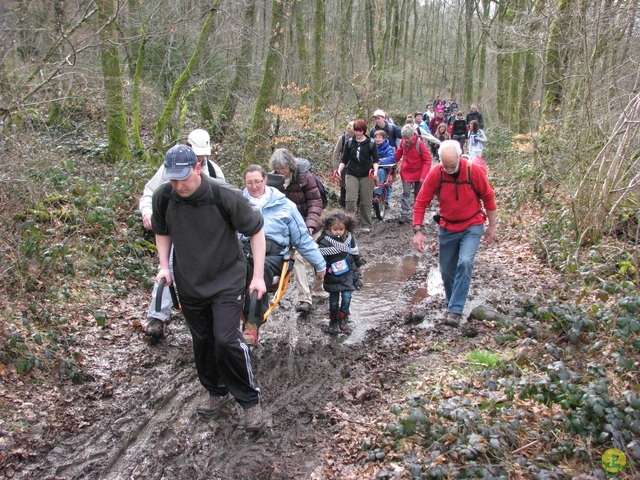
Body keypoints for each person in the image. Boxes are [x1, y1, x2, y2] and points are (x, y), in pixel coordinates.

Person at [151, 144, 266, 431]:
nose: (179, 185)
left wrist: (259, 276)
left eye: (184, 178)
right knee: (202, 341)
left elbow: (256, 230)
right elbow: (162, 232)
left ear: (198, 167)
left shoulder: (223, 194)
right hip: (190, 282)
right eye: (173, 179)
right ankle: (216, 391)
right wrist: (164, 266)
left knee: (226, 339)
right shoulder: (164, 197)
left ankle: (250, 401)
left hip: (227, 279)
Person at [140, 129, 225, 338]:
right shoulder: (171, 166)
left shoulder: (214, 172)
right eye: (197, 154)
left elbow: (225, 202)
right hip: (175, 227)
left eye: (203, 155)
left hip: (205, 233)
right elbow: (150, 192)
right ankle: (157, 317)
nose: (200, 158)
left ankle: (208, 314)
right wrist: (148, 211)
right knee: (166, 267)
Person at [412, 140, 497, 327]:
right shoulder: (437, 173)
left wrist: (492, 225)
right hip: (447, 227)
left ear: (460, 157)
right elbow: (421, 201)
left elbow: (488, 197)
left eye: (452, 165)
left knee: (465, 262)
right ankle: (451, 305)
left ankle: (455, 311)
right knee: (447, 271)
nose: (449, 169)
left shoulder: (473, 171)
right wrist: (417, 230)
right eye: (445, 165)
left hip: (472, 225)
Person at [241, 165, 326, 343]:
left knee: (258, 268)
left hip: (274, 253)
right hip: (244, 248)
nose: (254, 186)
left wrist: (319, 264)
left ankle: (251, 324)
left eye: (257, 181)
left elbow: (302, 238)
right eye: (249, 183)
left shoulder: (285, 205)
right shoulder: (238, 203)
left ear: (265, 180)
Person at [268, 149, 328, 313]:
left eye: (284, 168)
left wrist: (309, 225)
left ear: (291, 166)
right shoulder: (272, 180)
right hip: (290, 228)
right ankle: (304, 298)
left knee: (317, 256)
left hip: (310, 224)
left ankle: (319, 289)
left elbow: (316, 202)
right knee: (297, 260)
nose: (281, 171)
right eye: (278, 168)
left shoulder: (304, 178)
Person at [316, 210, 363, 334]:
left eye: (341, 229)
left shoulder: (349, 238)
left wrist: (358, 265)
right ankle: (333, 319)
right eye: (335, 229)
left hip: (347, 272)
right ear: (328, 228)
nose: (338, 232)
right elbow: (320, 259)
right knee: (333, 300)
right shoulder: (324, 241)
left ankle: (344, 316)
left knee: (347, 296)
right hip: (332, 274)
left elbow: (355, 253)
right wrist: (321, 270)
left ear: (346, 228)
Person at [338, 119, 379, 233]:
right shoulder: (349, 143)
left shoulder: (371, 143)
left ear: (364, 131)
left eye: (360, 131)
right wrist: (339, 170)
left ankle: (366, 224)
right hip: (351, 173)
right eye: (356, 130)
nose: (358, 133)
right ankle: (349, 224)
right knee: (350, 199)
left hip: (367, 174)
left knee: (366, 200)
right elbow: (344, 159)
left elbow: (375, 160)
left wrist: (375, 171)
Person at [395, 124, 432, 224]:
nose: (406, 140)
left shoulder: (419, 143)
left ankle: (418, 215)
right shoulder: (403, 143)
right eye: (404, 138)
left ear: (412, 135)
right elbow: (398, 155)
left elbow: (427, 159)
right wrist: (388, 162)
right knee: (406, 193)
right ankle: (405, 214)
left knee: (418, 195)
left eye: (407, 138)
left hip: (419, 173)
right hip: (407, 172)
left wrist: (424, 176)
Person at [332, 122, 354, 208]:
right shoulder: (343, 139)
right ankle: (343, 204)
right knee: (344, 186)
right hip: (344, 165)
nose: (352, 134)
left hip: (356, 166)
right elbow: (336, 153)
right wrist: (335, 168)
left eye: (354, 132)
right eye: (351, 132)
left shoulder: (360, 138)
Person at [373, 130, 395, 204]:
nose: (378, 139)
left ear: (384, 138)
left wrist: (380, 161)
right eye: (376, 137)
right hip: (372, 168)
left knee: (380, 172)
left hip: (384, 169)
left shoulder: (388, 148)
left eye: (380, 137)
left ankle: (378, 195)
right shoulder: (371, 146)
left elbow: (391, 158)